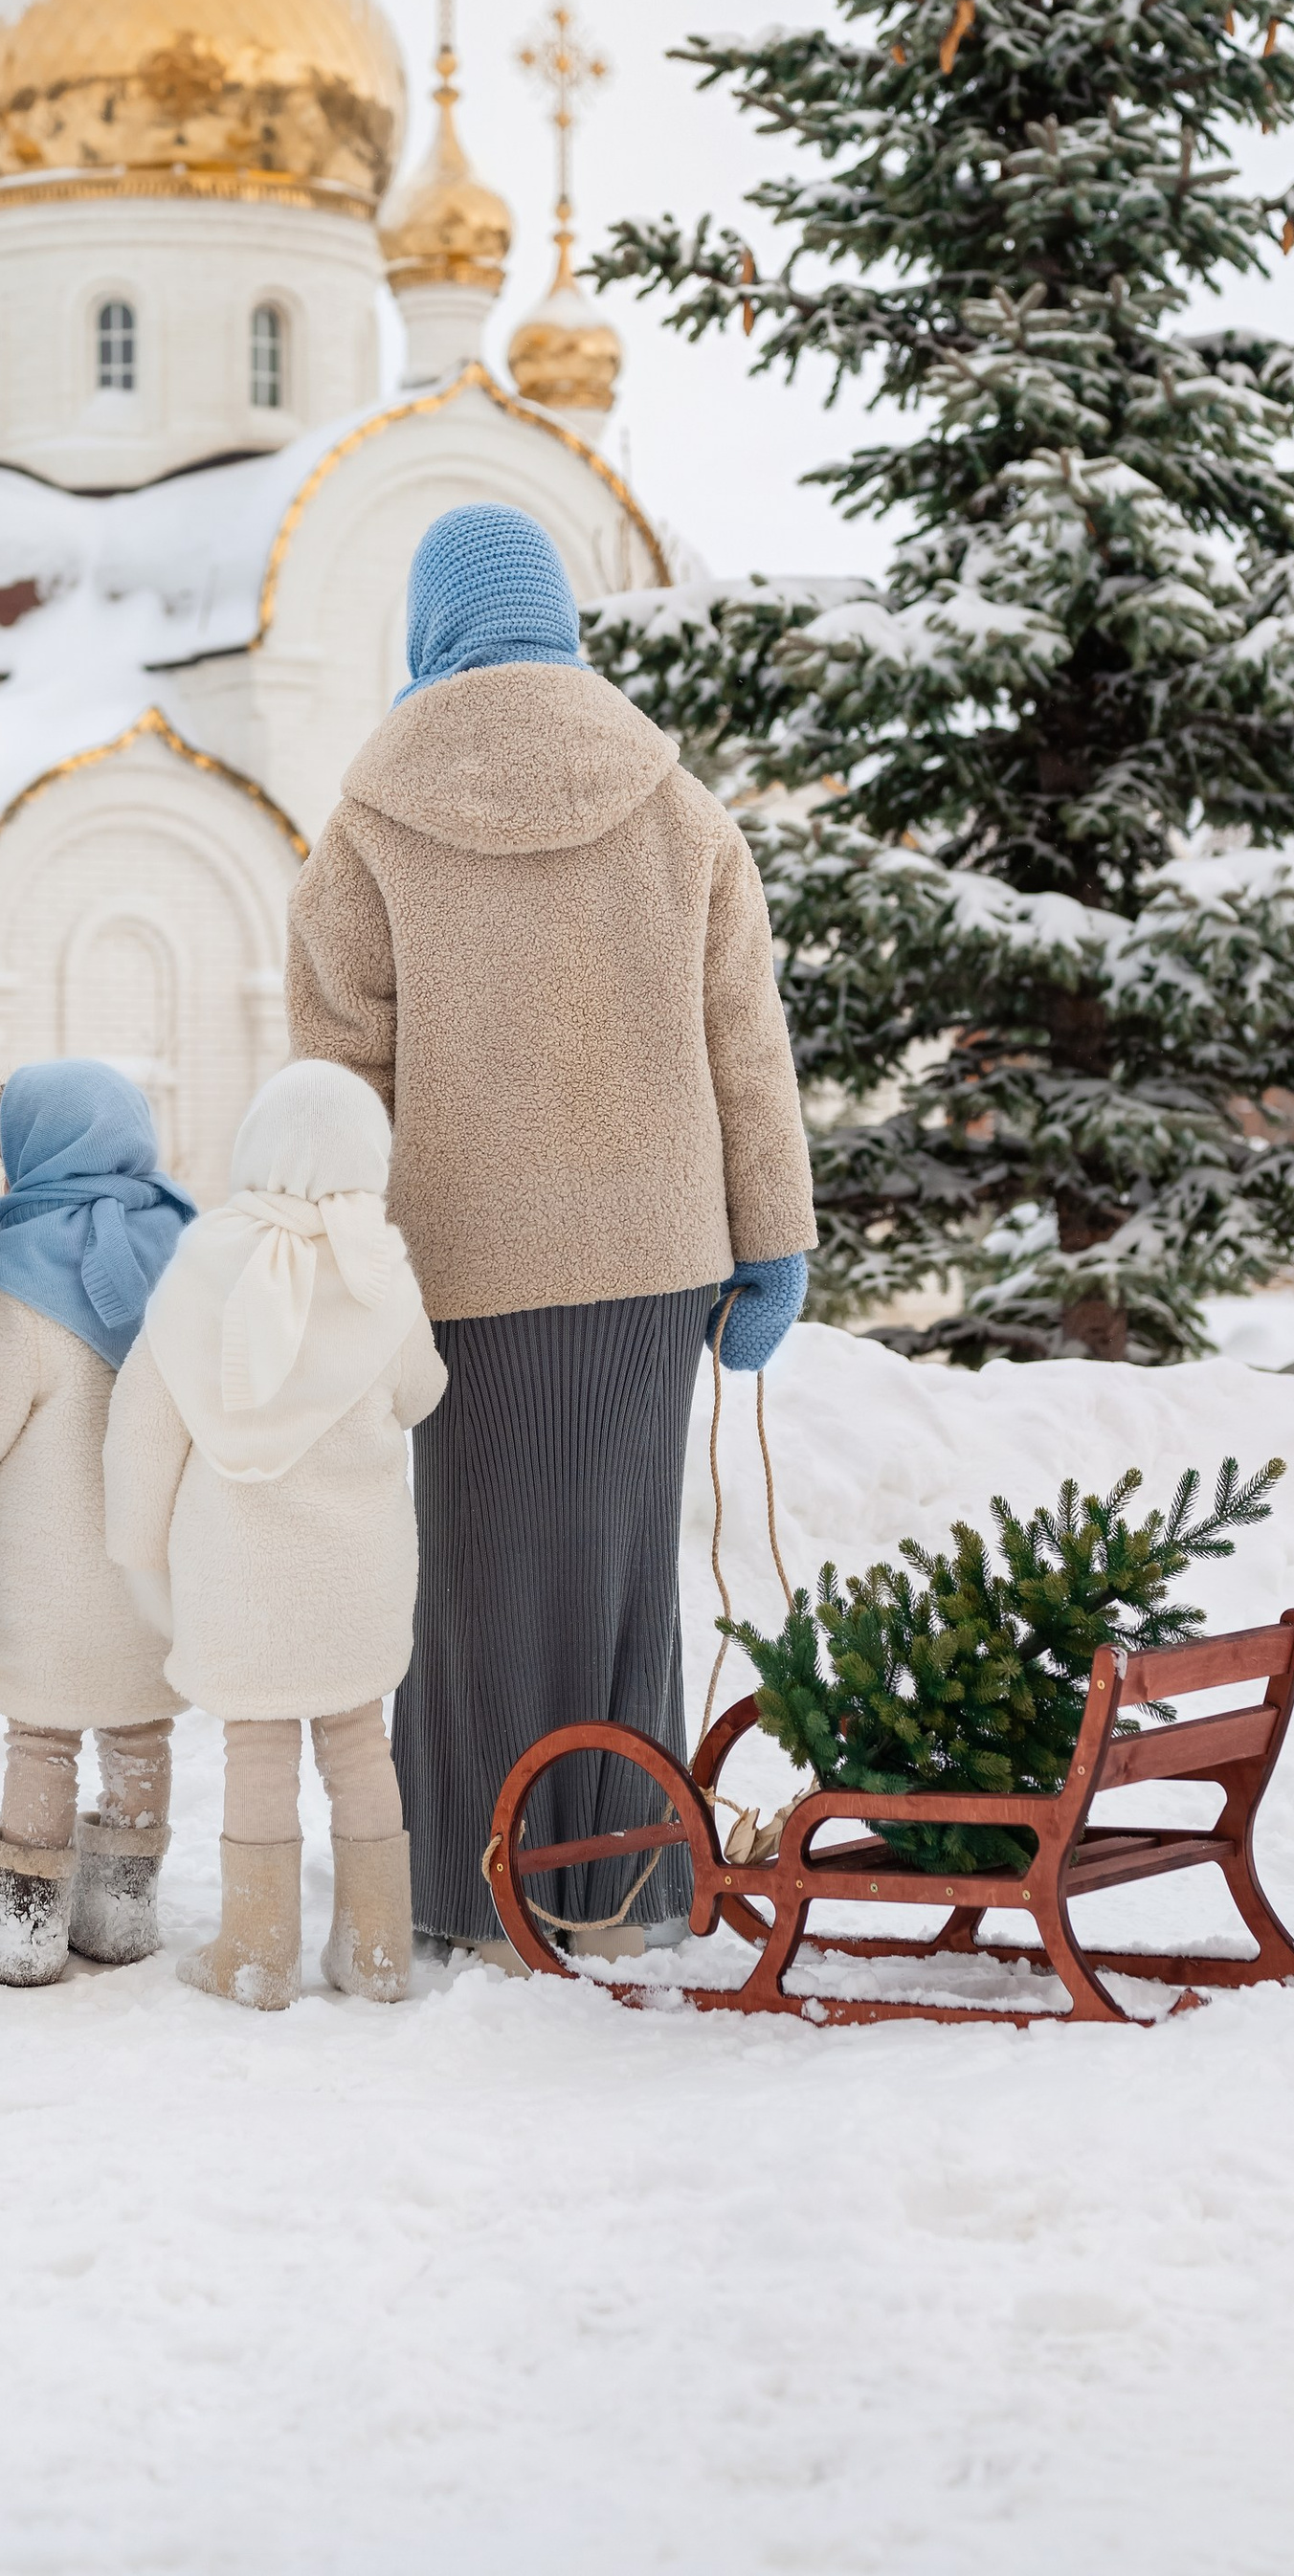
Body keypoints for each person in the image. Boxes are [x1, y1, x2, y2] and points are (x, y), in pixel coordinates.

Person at [285, 503, 814, 1965]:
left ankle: (466, 1889)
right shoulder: (677, 807)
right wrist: (773, 1239)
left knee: (466, 1581)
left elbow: (338, 1079)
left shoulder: (370, 825)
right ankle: (626, 1881)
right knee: (624, 1572)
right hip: (655, 1263)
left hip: (457, 1267)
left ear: (431, 624)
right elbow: (744, 1049)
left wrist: (331, 1269)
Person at [103, 1060, 443, 2012]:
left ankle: (255, 1952)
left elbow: (144, 1421)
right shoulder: (379, 1270)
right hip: (355, 1572)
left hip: (239, 1574)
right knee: (356, 1740)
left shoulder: (209, 1261)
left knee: (256, 1745)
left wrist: (139, 1554)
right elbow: (421, 1392)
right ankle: (376, 1951)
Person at [0, 1060, 197, 1988]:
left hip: (50, 1587)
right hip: (158, 1573)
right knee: (140, 1731)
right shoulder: (189, 1253)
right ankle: (121, 1908)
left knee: (42, 1737)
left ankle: (20, 1916)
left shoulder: (21, 1281)